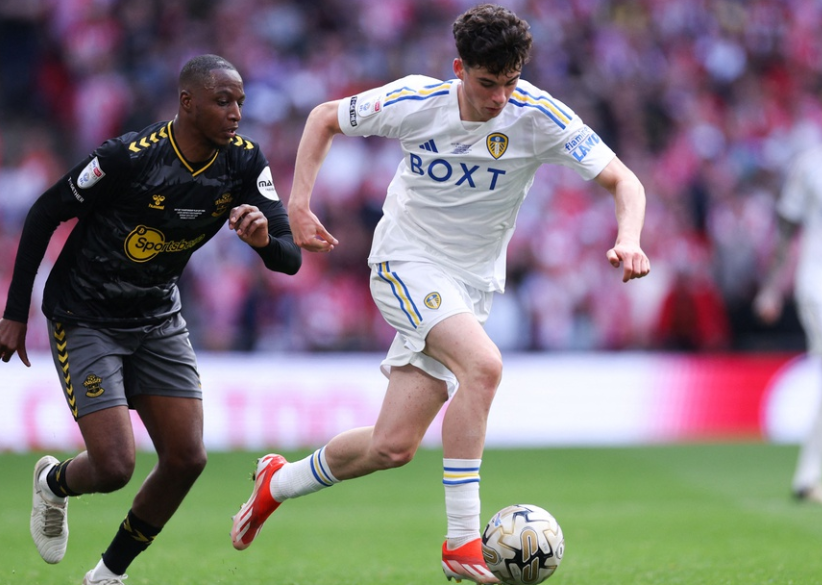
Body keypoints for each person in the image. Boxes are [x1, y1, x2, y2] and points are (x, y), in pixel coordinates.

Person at [231, 4, 649, 583]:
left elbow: (624, 180)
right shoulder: (416, 101)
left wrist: (628, 238)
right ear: (459, 68)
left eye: (510, 82)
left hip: (469, 286)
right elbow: (324, 117)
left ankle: (277, 482)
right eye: (487, 83)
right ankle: (462, 542)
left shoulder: (538, 115)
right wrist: (297, 206)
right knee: (484, 367)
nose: (500, 96)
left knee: (391, 446)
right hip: (405, 262)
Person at [0, 54, 301, 585]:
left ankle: (107, 576)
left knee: (187, 458)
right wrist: (15, 311)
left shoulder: (245, 163)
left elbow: (289, 256)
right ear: (188, 103)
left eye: (240, 103)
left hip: (158, 316)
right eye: (223, 101)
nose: (236, 114)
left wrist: (262, 242)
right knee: (115, 467)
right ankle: (54, 482)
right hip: (85, 313)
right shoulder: (127, 158)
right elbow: (45, 210)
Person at [754, 143, 822, 504]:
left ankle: (808, 477)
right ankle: (808, 477)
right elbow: (786, 230)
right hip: (817, 282)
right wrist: (771, 288)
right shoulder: (810, 164)